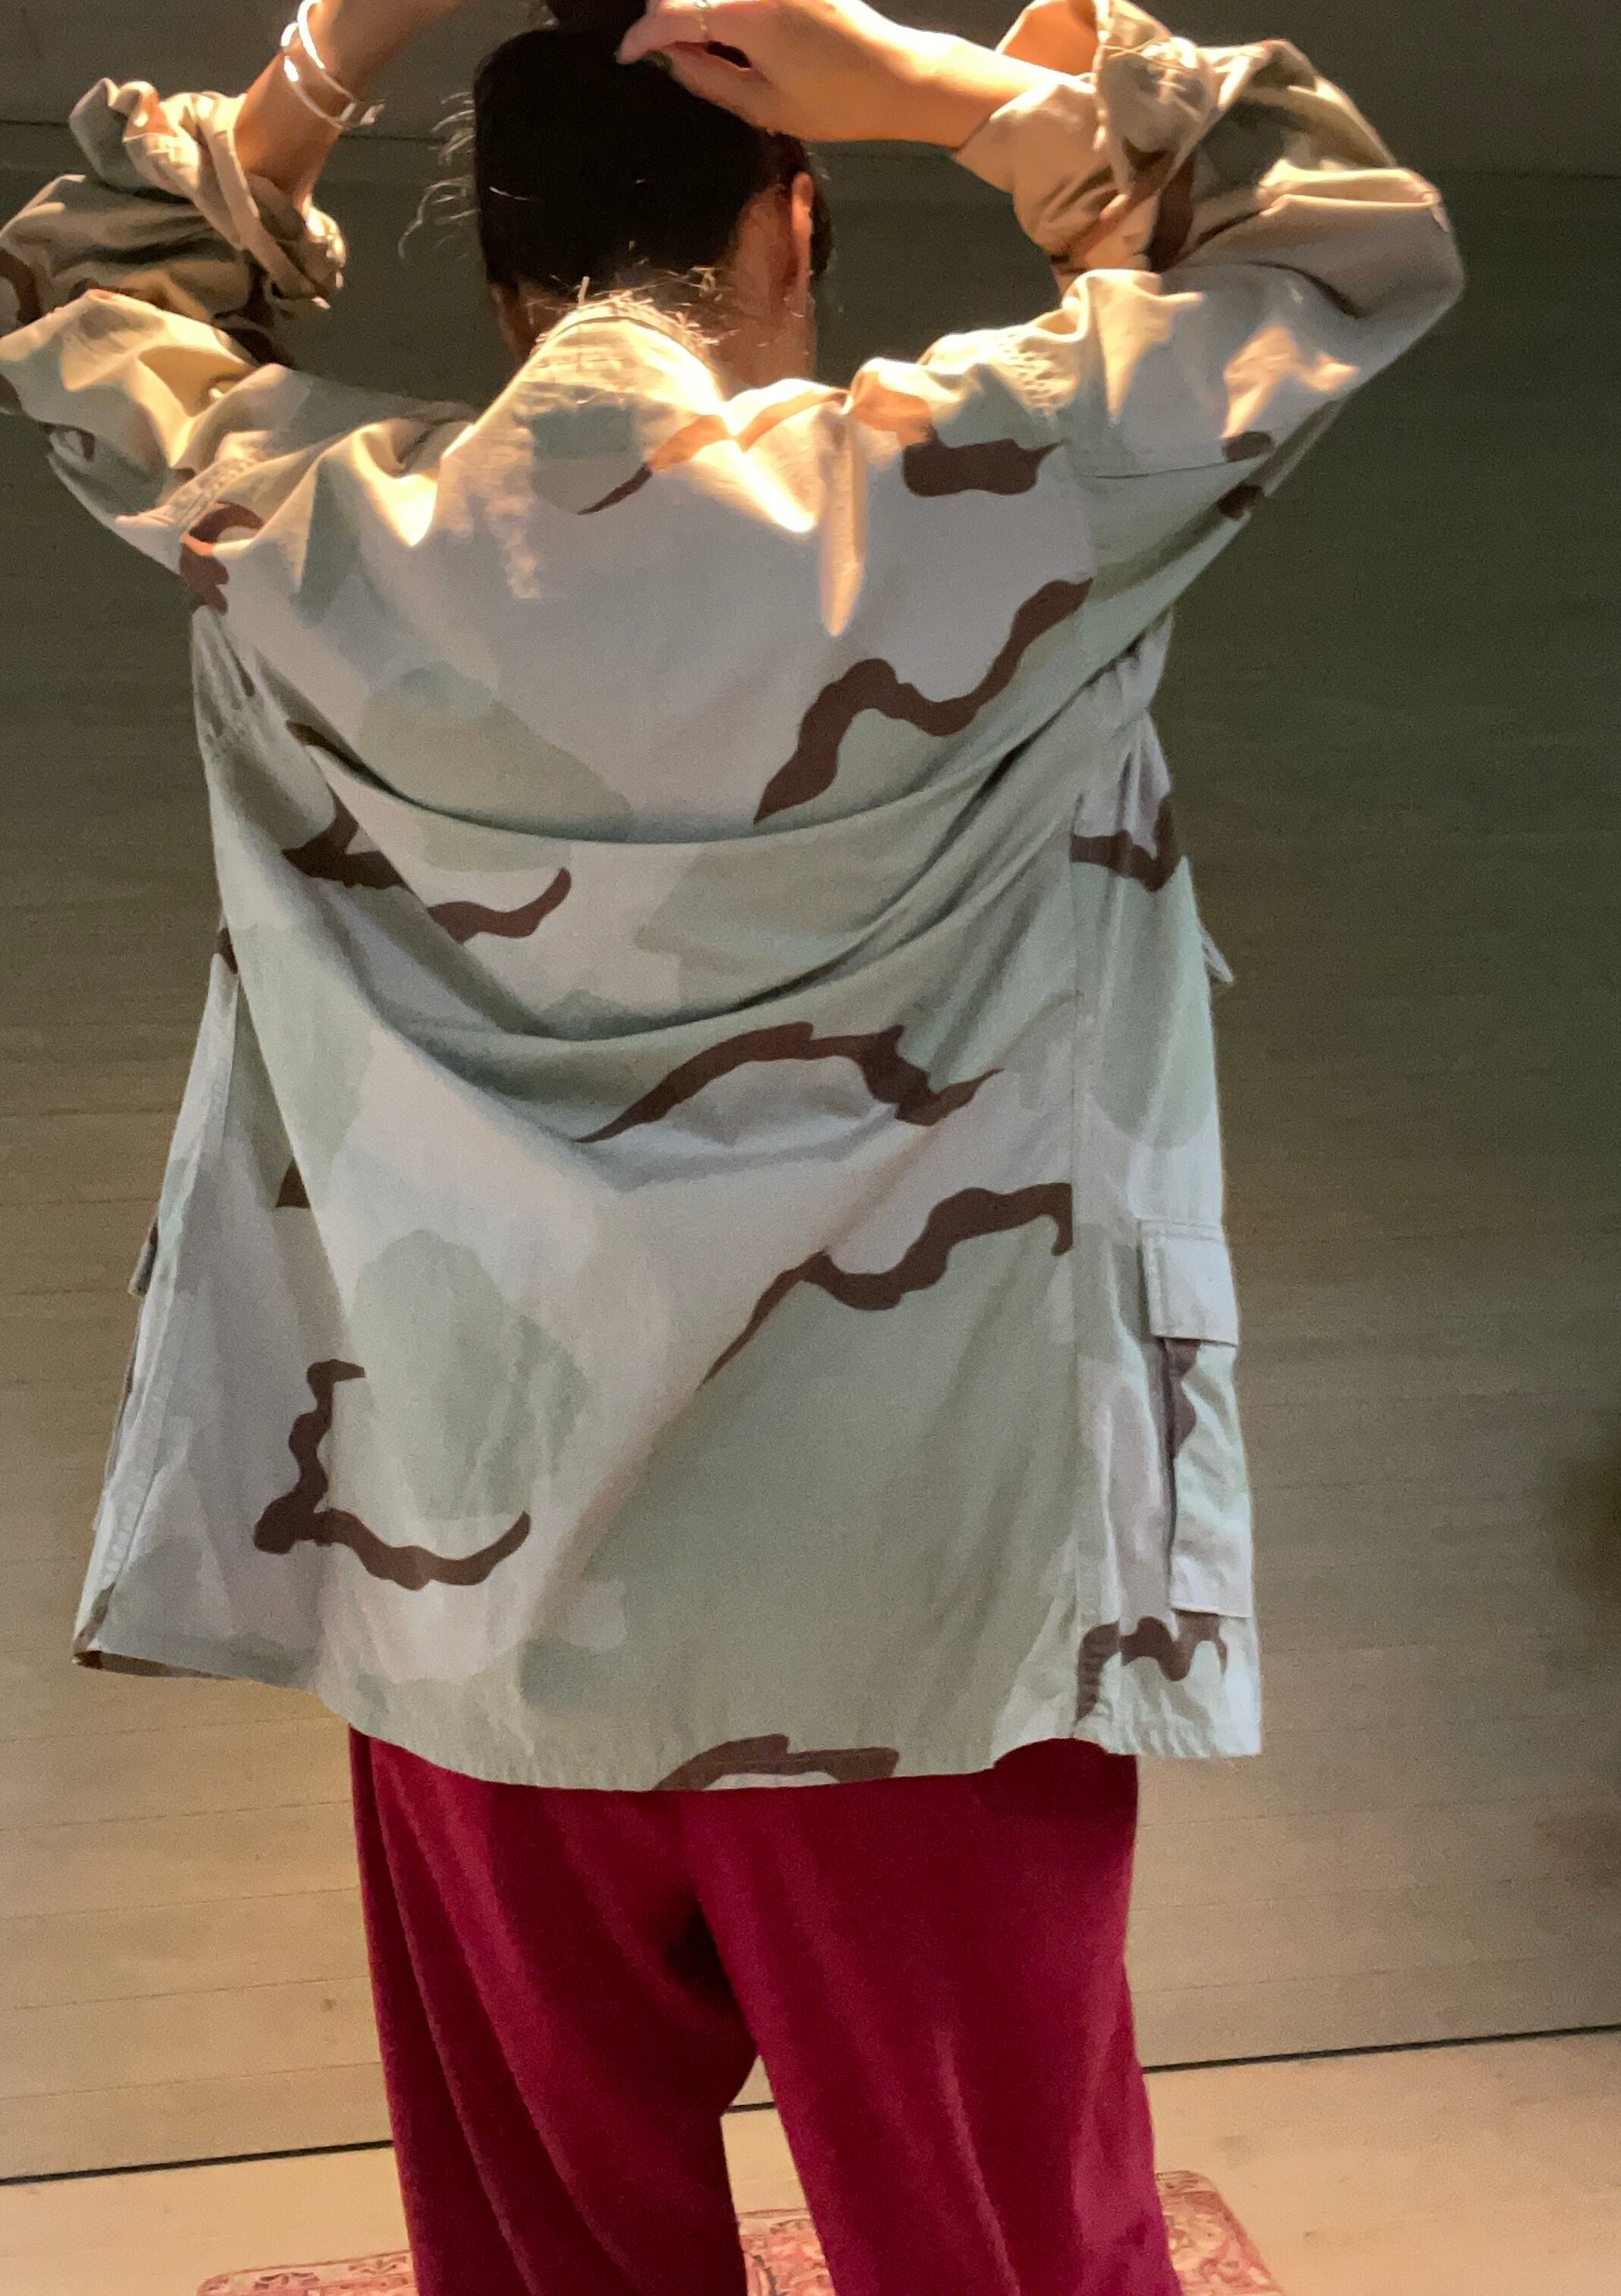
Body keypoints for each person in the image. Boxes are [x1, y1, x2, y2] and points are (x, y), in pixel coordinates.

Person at [0, 2, 1462, 2288]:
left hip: (467, 1576)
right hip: (926, 1593)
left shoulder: (296, 523)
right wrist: (957, 92)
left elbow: (81, 295)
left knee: (551, 2251)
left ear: (504, 280)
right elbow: (1344, 239)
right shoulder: (997, 486)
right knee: (992, 2248)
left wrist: (323, 54)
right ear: (795, 221)